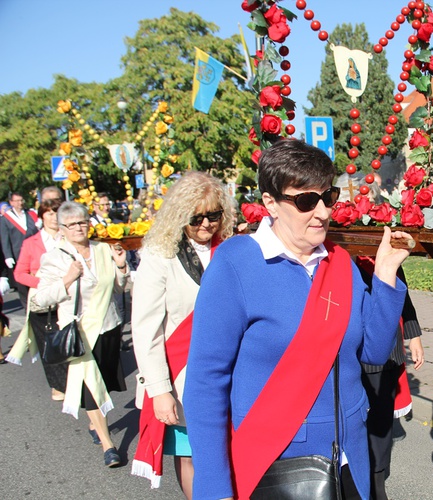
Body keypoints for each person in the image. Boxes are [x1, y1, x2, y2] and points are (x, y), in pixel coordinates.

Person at [183, 139, 413, 499]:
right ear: (270, 203)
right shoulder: (234, 265)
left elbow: (373, 351)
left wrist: (385, 273)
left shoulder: (341, 263)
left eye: (328, 197)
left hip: (350, 456)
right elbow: (205, 384)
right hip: (277, 460)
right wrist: (213, 488)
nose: (322, 212)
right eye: (306, 200)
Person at [130, 172, 235, 497]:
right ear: (179, 216)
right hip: (181, 379)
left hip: (230, 373)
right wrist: (159, 391)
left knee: (229, 450)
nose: (206, 224)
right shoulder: (159, 257)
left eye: (214, 216)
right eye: (196, 217)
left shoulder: (231, 250)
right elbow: (146, 331)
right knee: (192, 455)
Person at [31, 201, 131, 468]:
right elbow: (38, 300)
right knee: (91, 390)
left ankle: (94, 423)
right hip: (80, 335)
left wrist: (121, 268)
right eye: (72, 224)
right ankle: (109, 446)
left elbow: (120, 289)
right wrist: (66, 280)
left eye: (82, 221)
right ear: (62, 228)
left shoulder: (103, 250)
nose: (79, 227)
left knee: (105, 384)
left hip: (108, 328)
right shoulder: (54, 257)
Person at [356, 258, 424, 500]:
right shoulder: (338, 250)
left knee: (381, 427)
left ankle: (377, 484)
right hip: (349, 354)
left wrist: (413, 335)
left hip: (386, 357)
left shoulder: (381, 250)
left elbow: (401, 291)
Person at [7, 199, 68, 400]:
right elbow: (19, 274)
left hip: (68, 297)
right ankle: (57, 384)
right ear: (41, 217)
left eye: (57, 213)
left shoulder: (68, 239)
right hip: (43, 300)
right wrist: (42, 282)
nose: (53, 218)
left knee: (70, 338)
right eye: (49, 213)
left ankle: (74, 380)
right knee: (48, 343)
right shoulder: (31, 243)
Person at [1, 192, 39, 310]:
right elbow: (4, 238)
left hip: (33, 254)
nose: (20, 203)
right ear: (11, 203)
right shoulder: (5, 219)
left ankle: (37, 305)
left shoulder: (31, 215)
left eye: (21, 200)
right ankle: (27, 308)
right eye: (17, 201)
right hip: (17, 255)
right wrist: (8, 256)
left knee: (35, 281)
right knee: (22, 285)